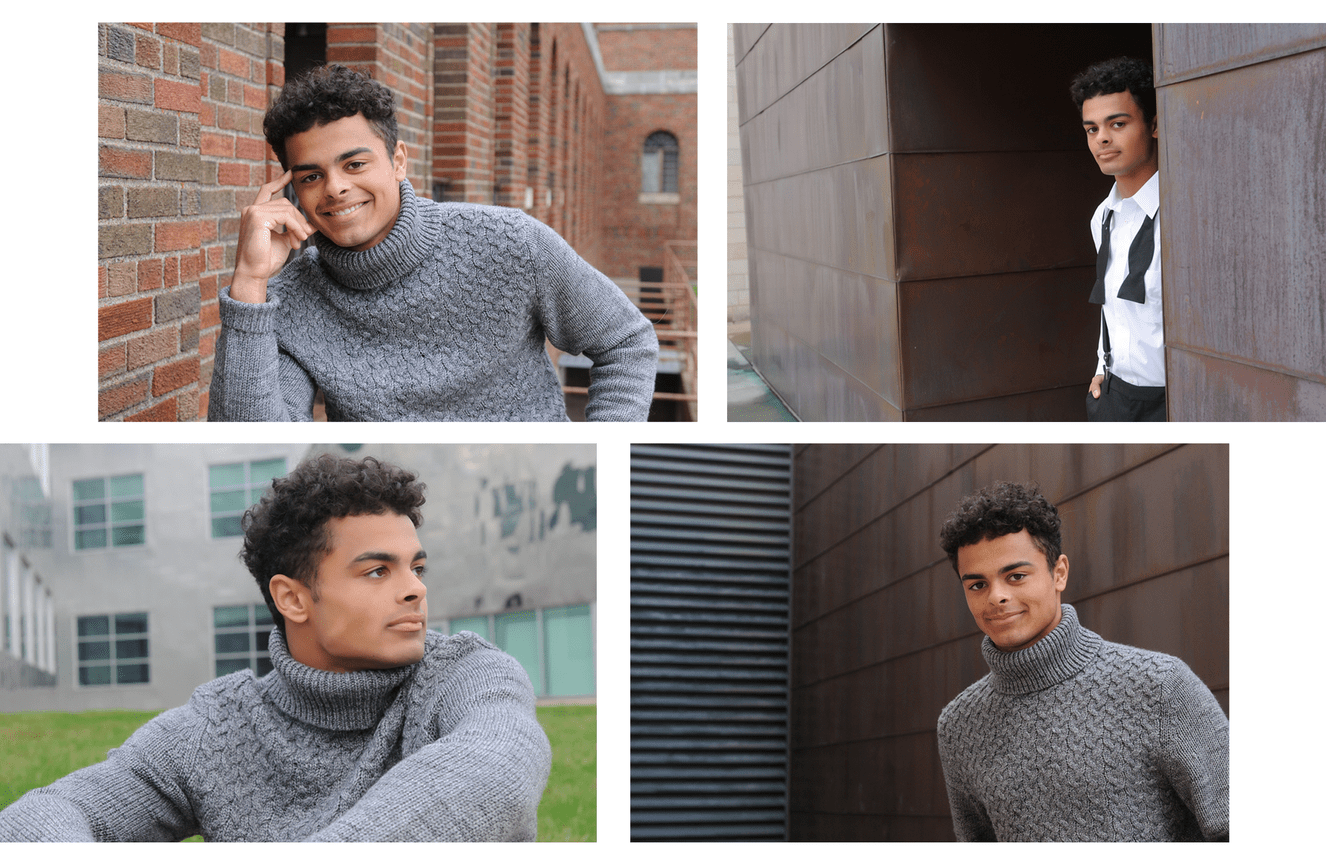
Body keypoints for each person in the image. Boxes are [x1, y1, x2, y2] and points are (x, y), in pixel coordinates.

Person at [0, 455, 551, 841]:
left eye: (417, 567)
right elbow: (42, 818)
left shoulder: (469, 675)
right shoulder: (215, 730)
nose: (416, 588)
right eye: (378, 570)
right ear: (292, 598)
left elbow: (498, 769)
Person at [207, 64, 658, 422]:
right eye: (311, 176)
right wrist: (249, 283)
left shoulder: (508, 242)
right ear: (293, 191)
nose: (335, 188)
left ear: (397, 160)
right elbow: (256, 438)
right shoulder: (290, 299)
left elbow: (625, 341)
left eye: (355, 164)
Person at [935, 481, 1228, 841]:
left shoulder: (1160, 686)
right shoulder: (958, 725)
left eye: (1016, 576)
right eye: (977, 584)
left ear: (1058, 573)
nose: (996, 597)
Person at [1071, 58, 1166, 421]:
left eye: (1118, 124)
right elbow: (1113, 304)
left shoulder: (1184, 215)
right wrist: (1101, 366)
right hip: (1115, 397)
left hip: (1173, 400)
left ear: (1154, 124)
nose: (1103, 138)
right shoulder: (1103, 217)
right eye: (1092, 129)